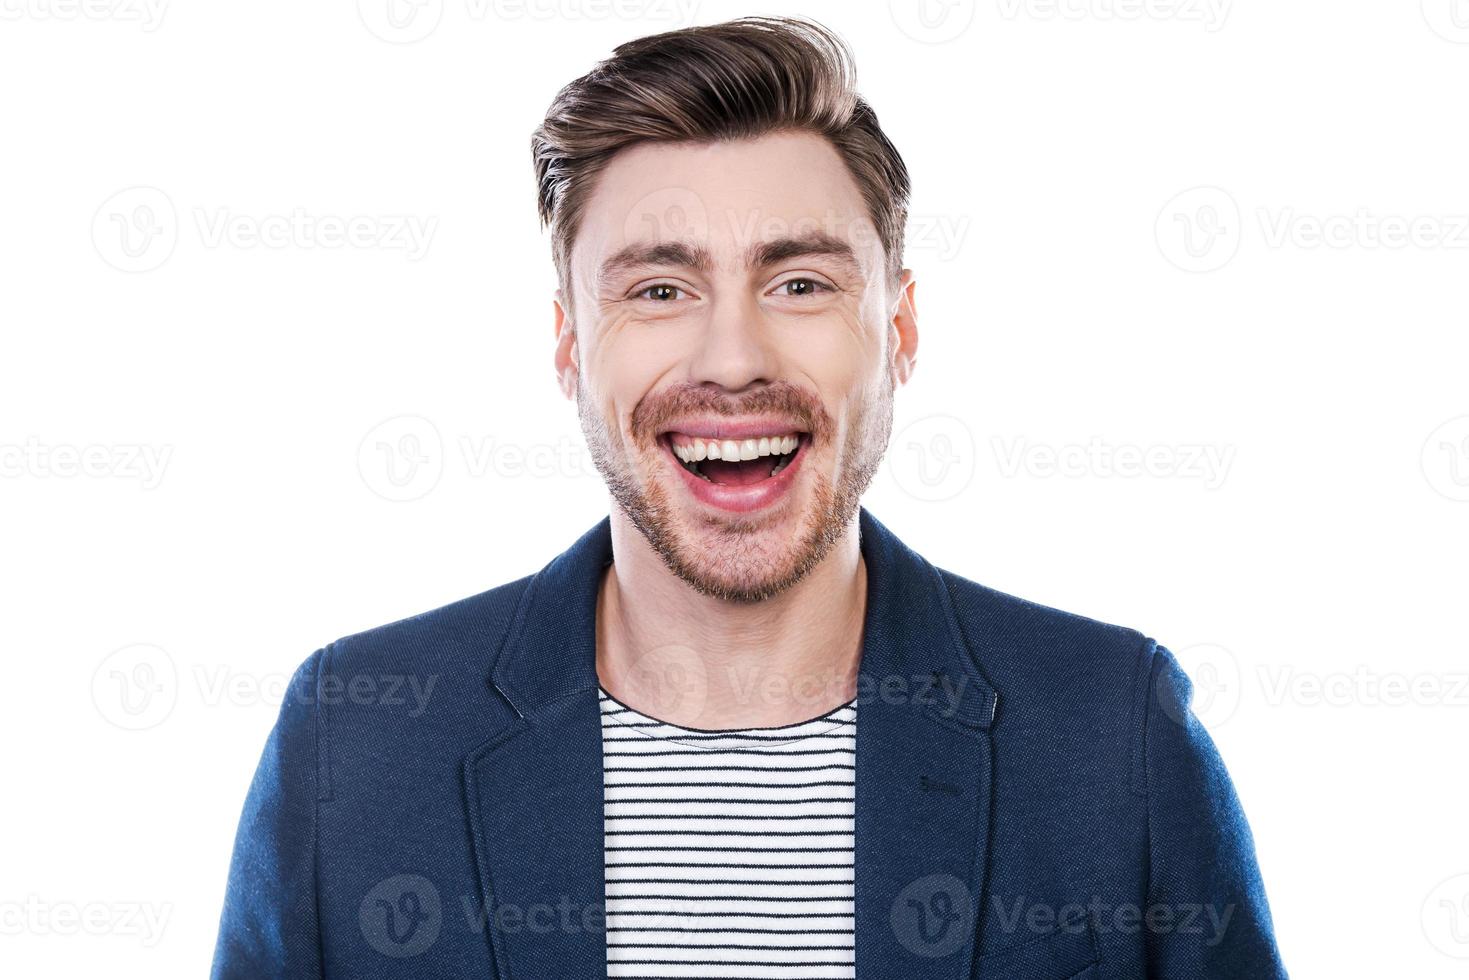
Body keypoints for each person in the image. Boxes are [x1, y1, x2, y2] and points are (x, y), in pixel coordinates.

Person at [212, 17, 1286, 978]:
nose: (731, 357)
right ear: (568, 343)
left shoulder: (1111, 733)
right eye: (659, 290)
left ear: (898, 331)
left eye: (800, 283)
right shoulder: (354, 742)